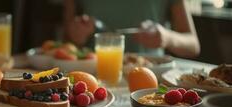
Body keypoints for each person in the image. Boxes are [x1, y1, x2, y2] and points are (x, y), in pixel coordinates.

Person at [63, 0, 200, 58]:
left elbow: (193, 45)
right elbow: (65, 41)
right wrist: (75, 36)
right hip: (92, 82)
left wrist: (167, 38)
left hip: (150, 81)